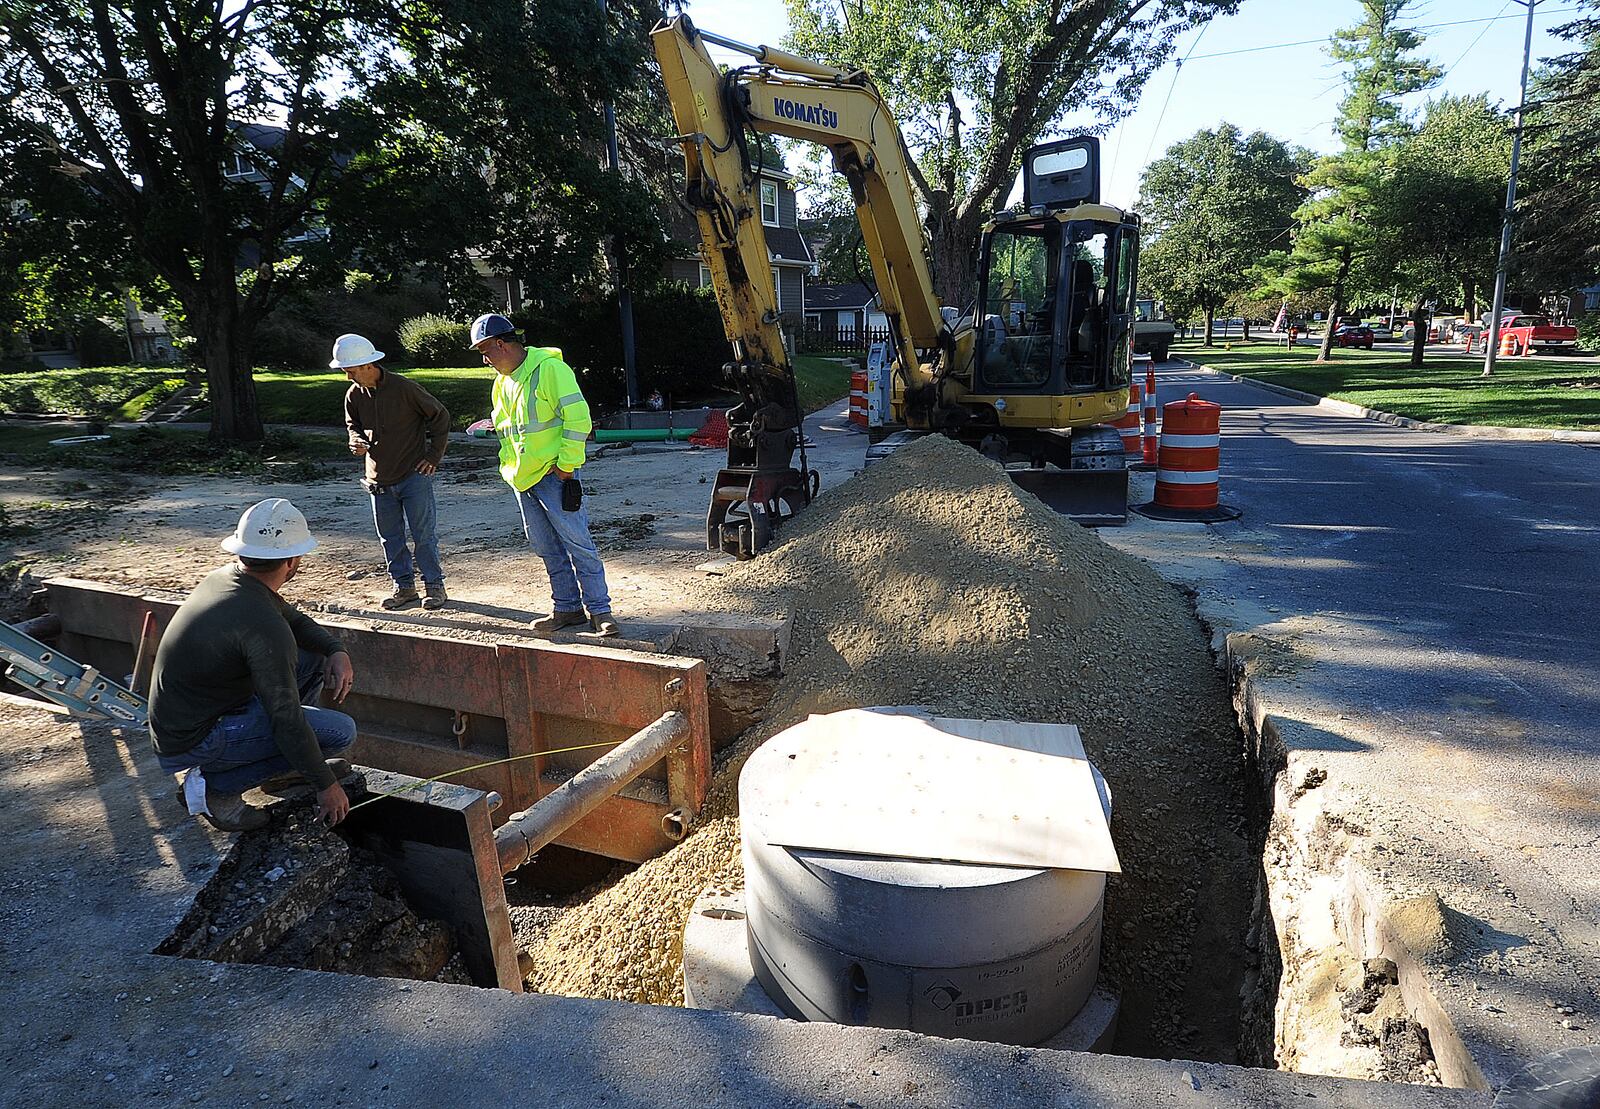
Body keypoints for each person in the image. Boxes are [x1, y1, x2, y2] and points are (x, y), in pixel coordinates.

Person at [148, 499, 358, 832]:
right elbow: (286, 720)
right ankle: (217, 792)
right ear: (292, 561)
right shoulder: (264, 625)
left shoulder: (230, 580)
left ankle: (284, 772)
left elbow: (295, 620)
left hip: (189, 715)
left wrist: (335, 649)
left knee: (313, 660)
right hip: (196, 737)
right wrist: (325, 785)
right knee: (339, 732)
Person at [470, 312, 618, 637]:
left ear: (501, 344)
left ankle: (600, 611)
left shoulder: (550, 369)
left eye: (486, 351)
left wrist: (566, 465)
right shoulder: (502, 383)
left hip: (555, 475)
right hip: (523, 479)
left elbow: (579, 419)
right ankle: (567, 609)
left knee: (578, 543)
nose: (485, 360)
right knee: (546, 547)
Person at [332, 333, 452, 611]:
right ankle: (404, 587)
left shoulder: (404, 388)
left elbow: (440, 416)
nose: (348, 377)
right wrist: (354, 440)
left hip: (413, 476)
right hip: (378, 479)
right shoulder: (353, 395)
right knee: (390, 537)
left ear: (366, 366)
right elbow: (353, 426)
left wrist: (433, 456)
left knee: (423, 535)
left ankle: (434, 586)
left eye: (350, 371)